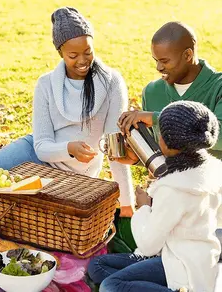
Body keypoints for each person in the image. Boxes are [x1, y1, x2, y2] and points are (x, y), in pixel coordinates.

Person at [0, 7, 135, 216]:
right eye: (72, 55)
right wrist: (68, 148)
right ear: (60, 52)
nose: (82, 61)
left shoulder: (112, 82)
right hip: (34, 155)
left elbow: (115, 149)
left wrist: (126, 202)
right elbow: (41, 146)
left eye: (88, 52)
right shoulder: (47, 84)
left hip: (71, 177)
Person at [88, 100, 222, 292]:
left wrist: (144, 207)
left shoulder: (173, 189)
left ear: (166, 142)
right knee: (97, 266)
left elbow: (148, 244)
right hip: (196, 258)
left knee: (111, 285)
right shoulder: (213, 169)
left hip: (180, 265)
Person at [117, 21, 222, 163]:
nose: (158, 67)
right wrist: (136, 158)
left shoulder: (218, 87)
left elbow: (218, 136)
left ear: (188, 55)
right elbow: (160, 153)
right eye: (156, 60)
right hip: (171, 181)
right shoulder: (152, 91)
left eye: (164, 61)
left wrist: (157, 119)